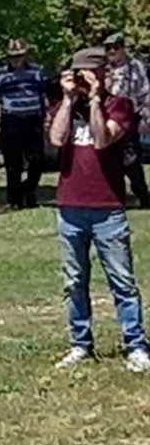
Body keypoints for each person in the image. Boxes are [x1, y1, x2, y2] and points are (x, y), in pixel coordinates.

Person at [49, 47, 150, 371]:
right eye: (75, 73)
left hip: (107, 208)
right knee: (74, 281)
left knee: (122, 281)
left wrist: (94, 99)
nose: (79, 79)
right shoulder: (64, 105)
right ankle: (80, 344)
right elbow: (56, 138)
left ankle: (135, 344)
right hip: (70, 207)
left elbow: (103, 139)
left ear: (103, 73)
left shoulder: (119, 105)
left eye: (86, 73)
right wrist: (67, 100)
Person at [0, 41, 48, 209]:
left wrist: (47, 118)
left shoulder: (36, 71)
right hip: (11, 120)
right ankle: (14, 199)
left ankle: (28, 191)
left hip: (33, 119)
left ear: (25, 55)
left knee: (37, 160)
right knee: (13, 163)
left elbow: (43, 97)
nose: (16, 60)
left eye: (19, 56)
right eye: (12, 56)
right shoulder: (0, 74)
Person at [102, 33, 150, 208]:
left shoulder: (135, 66)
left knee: (131, 161)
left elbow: (145, 92)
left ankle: (143, 197)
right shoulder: (102, 68)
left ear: (123, 48)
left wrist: (147, 118)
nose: (112, 51)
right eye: (108, 48)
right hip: (107, 117)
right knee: (109, 160)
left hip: (130, 116)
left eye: (116, 47)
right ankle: (116, 198)